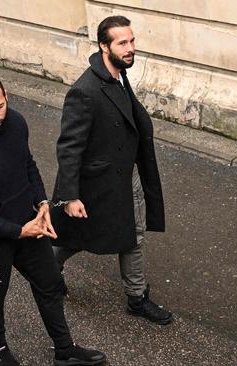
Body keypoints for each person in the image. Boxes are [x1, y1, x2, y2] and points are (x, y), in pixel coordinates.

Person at [0, 74, 106, 366]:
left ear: (6, 96)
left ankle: (64, 349)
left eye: (0, 106)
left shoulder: (17, 123)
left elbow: (28, 164)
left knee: (50, 285)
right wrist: (19, 230)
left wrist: (43, 203)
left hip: (29, 225)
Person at [50, 15, 172, 325]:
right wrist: (69, 196)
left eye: (132, 41)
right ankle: (136, 298)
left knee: (128, 235)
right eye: (123, 43)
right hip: (100, 182)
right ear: (104, 46)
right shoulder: (85, 91)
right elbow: (69, 147)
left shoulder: (117, 73)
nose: (131, 48)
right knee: (92, 236)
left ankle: (134, 294)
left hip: (123, 174)